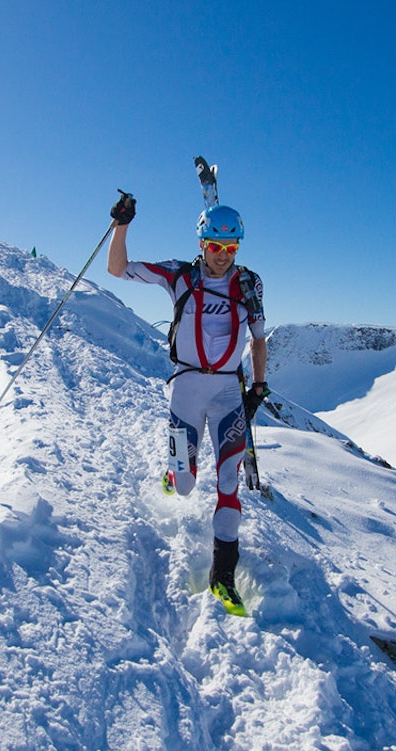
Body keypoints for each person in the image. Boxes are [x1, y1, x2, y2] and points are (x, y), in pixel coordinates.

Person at [107, 193, 269, 616]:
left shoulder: (249, 284)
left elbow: (259, 336)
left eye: (231, 248)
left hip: (229, 392)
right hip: (186, 388)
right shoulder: (179, 276)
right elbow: (117, 269)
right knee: (185, 484)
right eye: (215, 247)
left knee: (229, 480)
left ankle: (223, 579)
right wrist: (121, 224)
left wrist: (258, 387)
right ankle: (174, 471)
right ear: (201, 243)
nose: (222, 256)